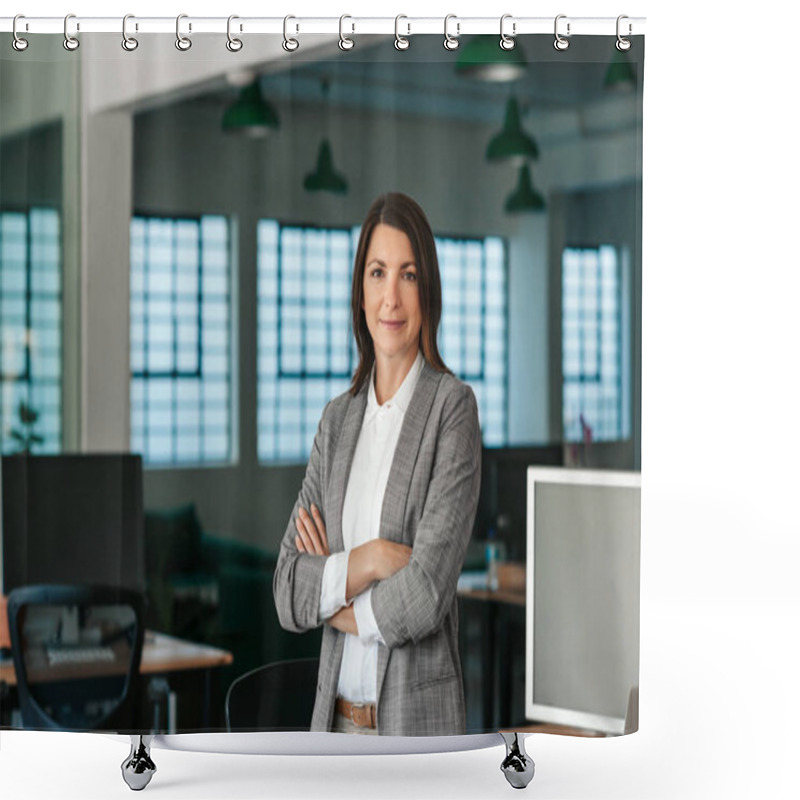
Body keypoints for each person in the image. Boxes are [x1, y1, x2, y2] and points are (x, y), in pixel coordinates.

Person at [273, 192, 481, 736]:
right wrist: (367, 561)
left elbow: (426, 592)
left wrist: (339, 608)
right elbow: (288, 589)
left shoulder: (452, 411)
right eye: (378, 273)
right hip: (334, 728)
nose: (391, 297)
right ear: (360, 293)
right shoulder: (337, 422)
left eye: (408, 275)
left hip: (415, 730)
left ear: (427, 291)